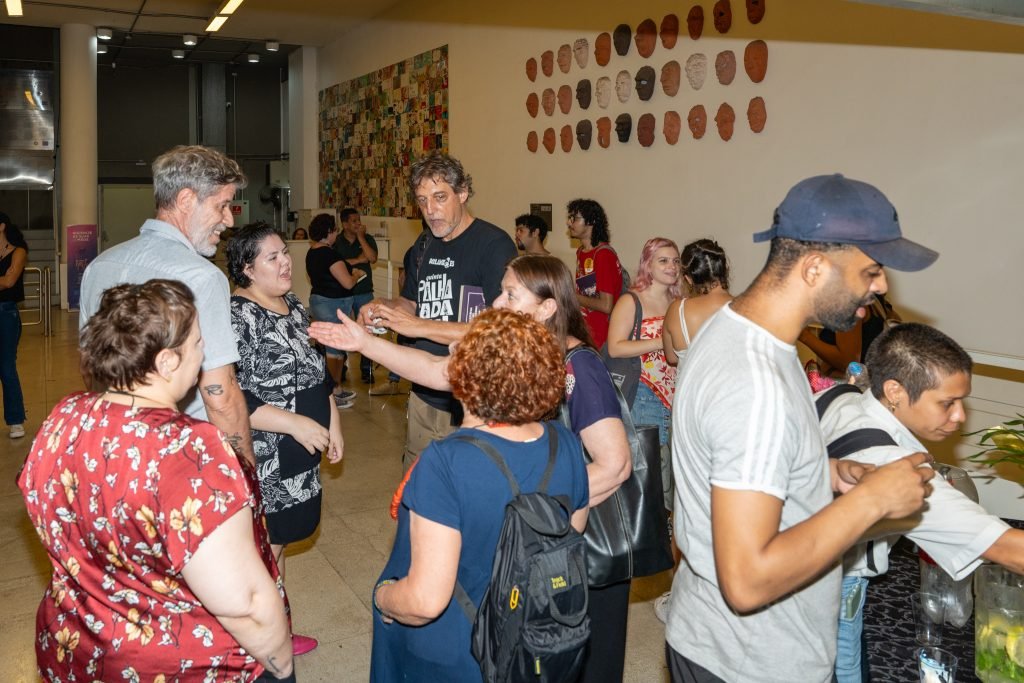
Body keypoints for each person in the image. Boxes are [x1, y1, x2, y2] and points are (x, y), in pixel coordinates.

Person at [666, 174, 939, 683]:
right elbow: (747, 579)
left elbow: (729, 458)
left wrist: (823, 471)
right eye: (872, 271)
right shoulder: (757, 382)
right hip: (748, 662)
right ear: (814, 268)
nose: (880, 286)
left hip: (713, 640)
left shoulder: (736, 329)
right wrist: (872, 500)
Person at [311, 254, 634, 683]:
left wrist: (513, 514)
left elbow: (614, 466)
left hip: (534, 567)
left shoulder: (579, 368)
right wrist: (366, 344)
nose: (497, 302)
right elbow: (434, 369)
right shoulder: (510, 356)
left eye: (510, 293)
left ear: (547, 307)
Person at [18, 280, 293, 681]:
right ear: (166, 362)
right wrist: (281, 667)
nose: (204, 354)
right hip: (174, 665)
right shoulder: (188, 449)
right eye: (199, 344)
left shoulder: (63, 418)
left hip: (75, 648)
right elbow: (246, 603)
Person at [369, 308, 590, 681]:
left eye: (462, 348)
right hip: (527, 642)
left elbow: (425, 601)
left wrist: (383, 598)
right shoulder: (565, 444)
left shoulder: (446, 461)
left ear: (470, 378)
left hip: (456, 651)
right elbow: (569, 542)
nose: (453, 346)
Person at [821, 322, 1024, 682]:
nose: (960, 416)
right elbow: (1012, 550)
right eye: (947, 403)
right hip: (835, 586)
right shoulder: (891, 467)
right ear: (895, 391)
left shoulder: (841, 396)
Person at [79, 144, 255, 466]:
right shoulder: (202, 277)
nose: (228, 220)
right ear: (187, 200)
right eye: (222, 206)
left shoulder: (99, 266)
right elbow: (221, 396)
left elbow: (91, 370)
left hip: (116, 449)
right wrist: (244, 478)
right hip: (183, 457)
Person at [354, 152, 518, 471]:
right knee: (417, 493)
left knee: (467, 500)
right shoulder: (425, 244)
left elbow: (498, 330)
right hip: (422, 394)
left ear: (463, 193)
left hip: (472, 402)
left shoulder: (494, 245)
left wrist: (417, 326)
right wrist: (383, 309)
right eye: (422, 200)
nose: (430, 210)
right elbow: (411, 302)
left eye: (440, 197)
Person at [227, 223, 344, 657]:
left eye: (285, 253)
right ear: (247, 269)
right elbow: (234, 395)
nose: (285, 262)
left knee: (280, 542)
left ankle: (272, 628)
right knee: (264, 552)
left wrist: (333, 422)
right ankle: (261, 639)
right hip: (269, 454)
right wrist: (295, 424)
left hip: (303, 447)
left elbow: (316, 372)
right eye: (272, 257)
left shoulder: (292, 304)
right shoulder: (237, 316)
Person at [654, 238, 734, 623]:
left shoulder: (678, 310)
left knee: (686, 504)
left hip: (690, 413)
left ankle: (681, 598)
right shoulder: (744, 308)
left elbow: (670, 357)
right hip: (730, 412)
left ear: (686, 274)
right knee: (728, 502)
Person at [606, 237, 681, 448]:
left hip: (675, 395)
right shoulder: (631, 301)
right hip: (643, 392)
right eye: (664, 261)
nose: (672, 267)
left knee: (667, 469)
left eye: (676, 261)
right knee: (647, 469)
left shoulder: (678, 303)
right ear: (648, 265)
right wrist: (662, 342)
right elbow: (615, 347)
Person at [305, 212, 359, 408]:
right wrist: (357, 275)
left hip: (319, 301)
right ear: (329, 232)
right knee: (334, 350)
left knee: (332, 348)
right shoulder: (329, 254)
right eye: (335, 230)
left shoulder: (312, 252)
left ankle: (335, 390)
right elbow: (346, 283)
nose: (336, 234)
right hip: (332, 304)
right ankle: (333, 392)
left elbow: (313, 279)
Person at [568, 198, 624, 349]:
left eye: (575, 218)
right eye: (569, 218)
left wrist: (572, 296)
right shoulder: (581, 252)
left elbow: (607, 306)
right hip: (586, 330)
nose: (569, 222)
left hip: (602, 336)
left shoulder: (603, 255)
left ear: (591, 221)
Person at [333, 207, 379, 383]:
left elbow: (372, 258)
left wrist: (361, 238)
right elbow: (338, 264)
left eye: (359, 220)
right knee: (342, 329)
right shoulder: (336, 242)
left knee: (369, 329)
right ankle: (342, 366)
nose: (358, 223)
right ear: (344, 224)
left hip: (364, 291)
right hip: (342, 293)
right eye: (353, 221)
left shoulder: (367, 239)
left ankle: (367, 369)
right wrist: (359, 260)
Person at [0, 211, 28, 438]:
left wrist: (5, 280)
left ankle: (16, 420)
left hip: (5, 314)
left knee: (6, 366)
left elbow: (10, 281)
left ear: (1, 227)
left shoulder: (18, 252)